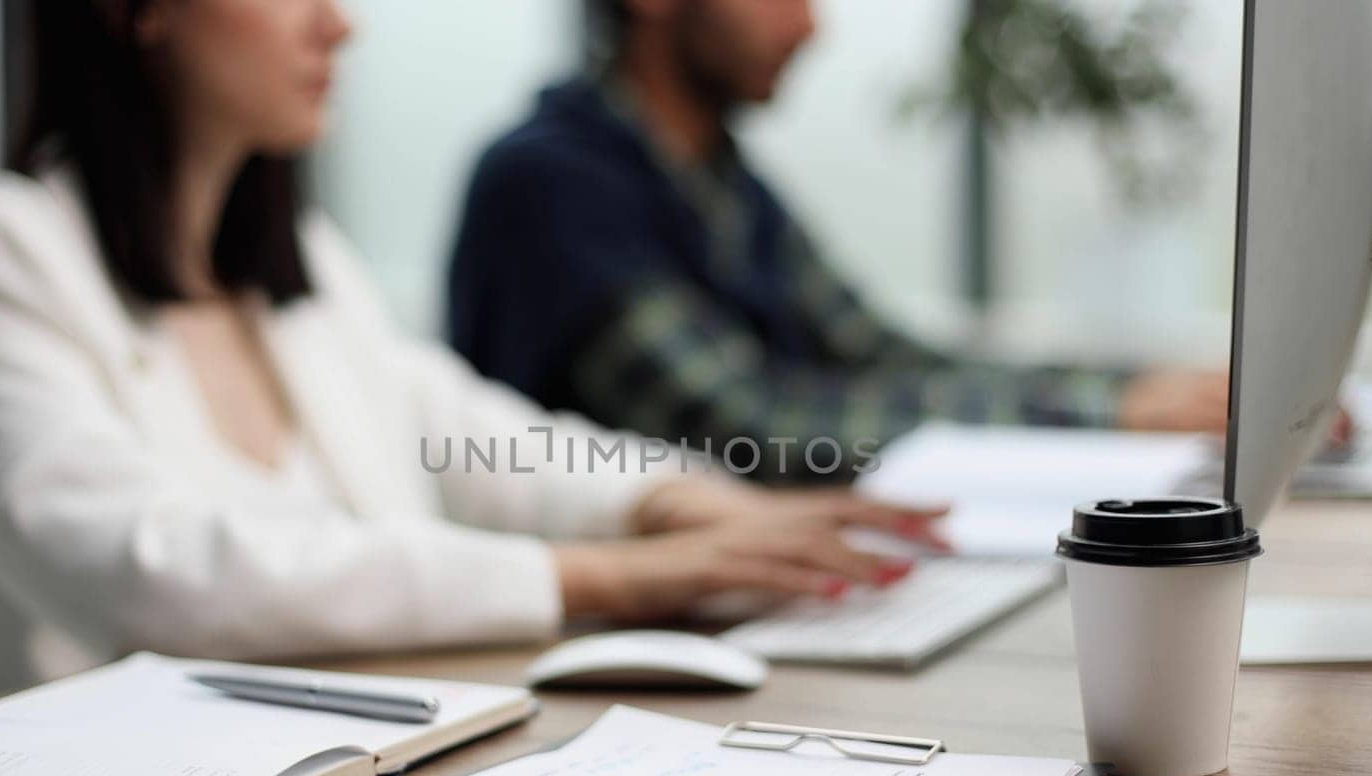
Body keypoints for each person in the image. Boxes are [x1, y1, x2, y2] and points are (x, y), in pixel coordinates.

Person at [0, 0, 945, 698]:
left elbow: (476, 438)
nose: (338, 25)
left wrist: (676, 504)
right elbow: (157, 573)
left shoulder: (293, 269)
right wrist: (613, 576)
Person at [447, 0, 1232, 483]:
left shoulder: (719, 180)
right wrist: (1094, 414)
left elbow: (882, 352)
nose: (811, 24)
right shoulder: (549, 185)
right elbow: (754, 430)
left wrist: (1131, 388)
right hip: (592, 657)